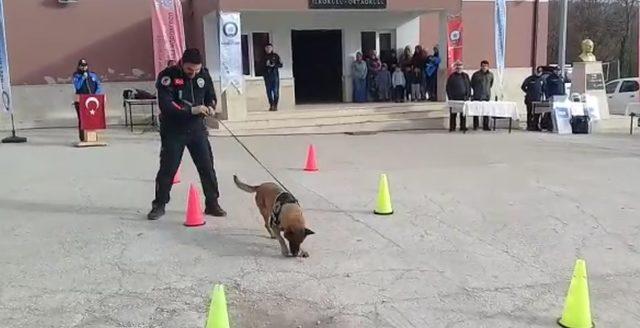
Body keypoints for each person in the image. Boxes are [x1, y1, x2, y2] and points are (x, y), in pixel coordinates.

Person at [147, 48, 226, 220]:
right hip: (174, 130)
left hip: (197, 129)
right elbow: (167, 106)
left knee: (207, 167)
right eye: (190, 69)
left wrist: (211, 106)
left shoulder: (203, 75)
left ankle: (212, 203)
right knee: (168, 168)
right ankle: (159, 204)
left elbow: (210, 95)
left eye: (196, 70)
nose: (193, 73)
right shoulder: (167, 76)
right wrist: (191, 110)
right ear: (182, 63)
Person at [72, 59, 103, 142]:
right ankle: (82, 138)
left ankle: (93, 137)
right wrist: (82, 78)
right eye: (82, 66)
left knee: (93, 117)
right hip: (80, 100)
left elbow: (98, 85)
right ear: (79, 66)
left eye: (85, 65)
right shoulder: (76, 76)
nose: (84, 67)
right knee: (82, 118)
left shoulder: (93, 75)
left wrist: (96, 95)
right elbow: (77, 87)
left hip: (92, 99)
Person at [446, 61, 471, 132]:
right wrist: (450, 97)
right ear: (455, 67)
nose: (459, 67)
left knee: (463, 114)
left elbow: (468, 86)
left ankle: (463, 126)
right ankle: (452, 127)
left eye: (460, 66)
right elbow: (448, 87)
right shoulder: (452, 76)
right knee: (453, 114)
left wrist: (468, 95)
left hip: (463, 98)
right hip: (454, 98)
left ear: (462, 67)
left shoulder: (465, 76)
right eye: (457, 66)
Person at [470, 60, 494, 131]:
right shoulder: (476, 74)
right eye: (483, 66)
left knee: (486, 111)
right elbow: (472, 84)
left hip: (486, 96)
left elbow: (491, 84)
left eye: (486, 66)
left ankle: (485, 126)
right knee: (476, 111)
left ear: (488, 67)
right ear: (481, 66)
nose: (484, 67)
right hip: (477, 96)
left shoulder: (490, 75)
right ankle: (475, 125)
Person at [521, 66, 545, 131]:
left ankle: (536, 126)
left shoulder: (542, 80)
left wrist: (542, 96)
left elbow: (544, 89)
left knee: (537, 113)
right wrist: (528, 92)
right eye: (537, 71)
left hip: (538, 99)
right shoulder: (529, 79)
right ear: (535, 71)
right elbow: (523, 87)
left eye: (540, 72)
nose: (538, 73)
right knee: (529, 113)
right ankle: (529, 126)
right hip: (530, 99)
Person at [263, 43, 283, 111]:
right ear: (265, 49)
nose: (268, 49)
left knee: (275, 91)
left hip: (275, 77)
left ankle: (275, 105)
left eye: (270, 48)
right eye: (267, 48)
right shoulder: (263, 57)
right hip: (267, 77)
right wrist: (266, 65)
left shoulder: (276, 56)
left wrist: (274, 65)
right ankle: (271, 105)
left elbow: (280, 65)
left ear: (272, 48)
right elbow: (259, 67)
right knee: (269, 92)